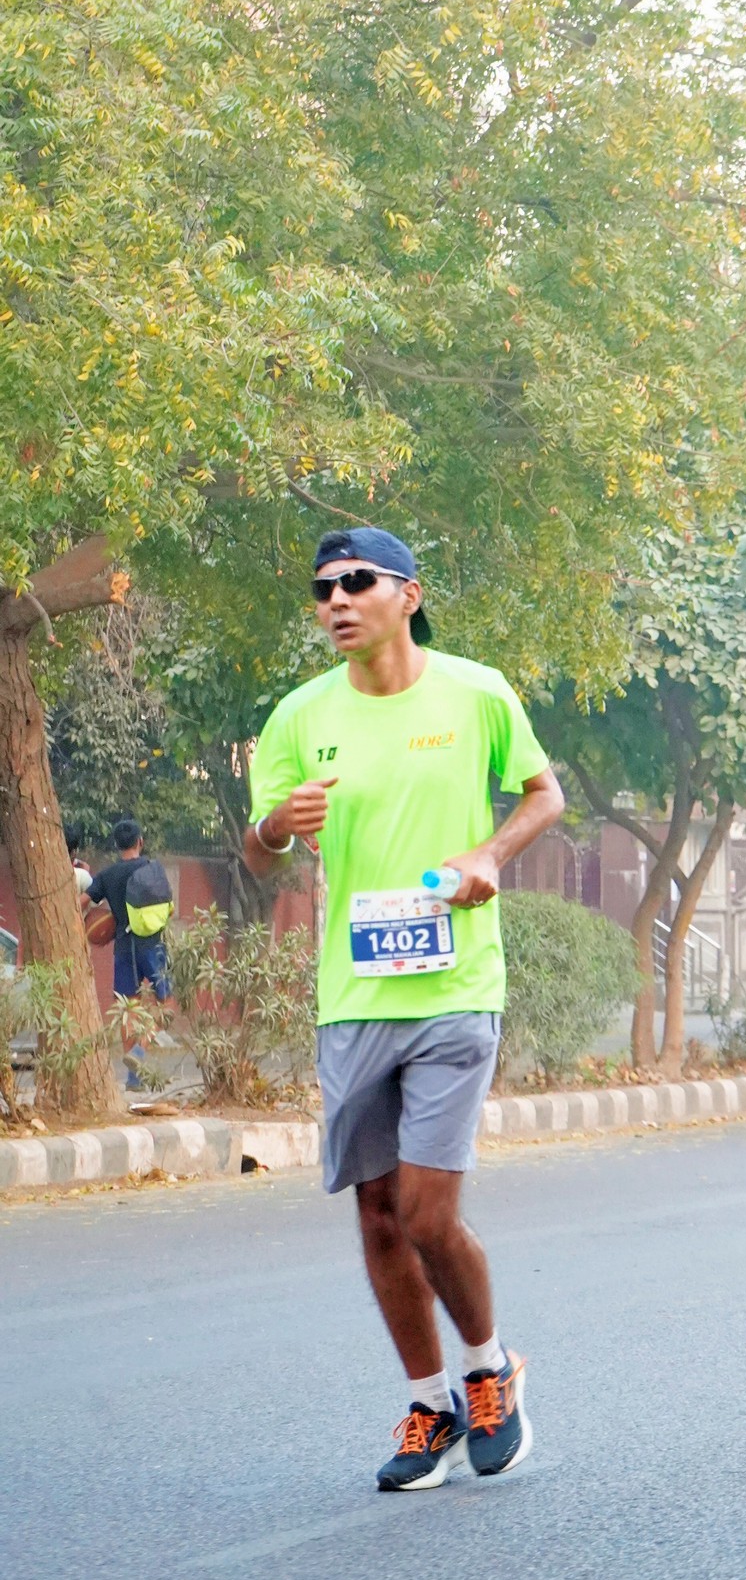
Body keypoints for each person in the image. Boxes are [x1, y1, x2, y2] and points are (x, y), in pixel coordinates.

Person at [243, 526, 566, 1492]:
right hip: (353, 995)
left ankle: (489, 1369)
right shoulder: (298, 716)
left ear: (408, 595)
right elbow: (259, 852)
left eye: (356, 582)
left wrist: (490, 856)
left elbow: (544, 795)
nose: (337, 601)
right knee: (378, 1213)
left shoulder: (477, 693)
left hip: (456, 985)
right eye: (322, 590)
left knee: (428, 1212)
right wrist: (276, 825)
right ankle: (431, 1404)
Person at [85, 818, 173, 1089]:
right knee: (168, 1004)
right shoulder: (152, 869)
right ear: (140, 842)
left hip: (123, 950)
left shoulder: (107, 875)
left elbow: (80, 901)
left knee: (128, 1010)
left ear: (116, 844)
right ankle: (139, 1050)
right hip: (153, 946)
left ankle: (133, 1079)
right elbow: (168, 908)